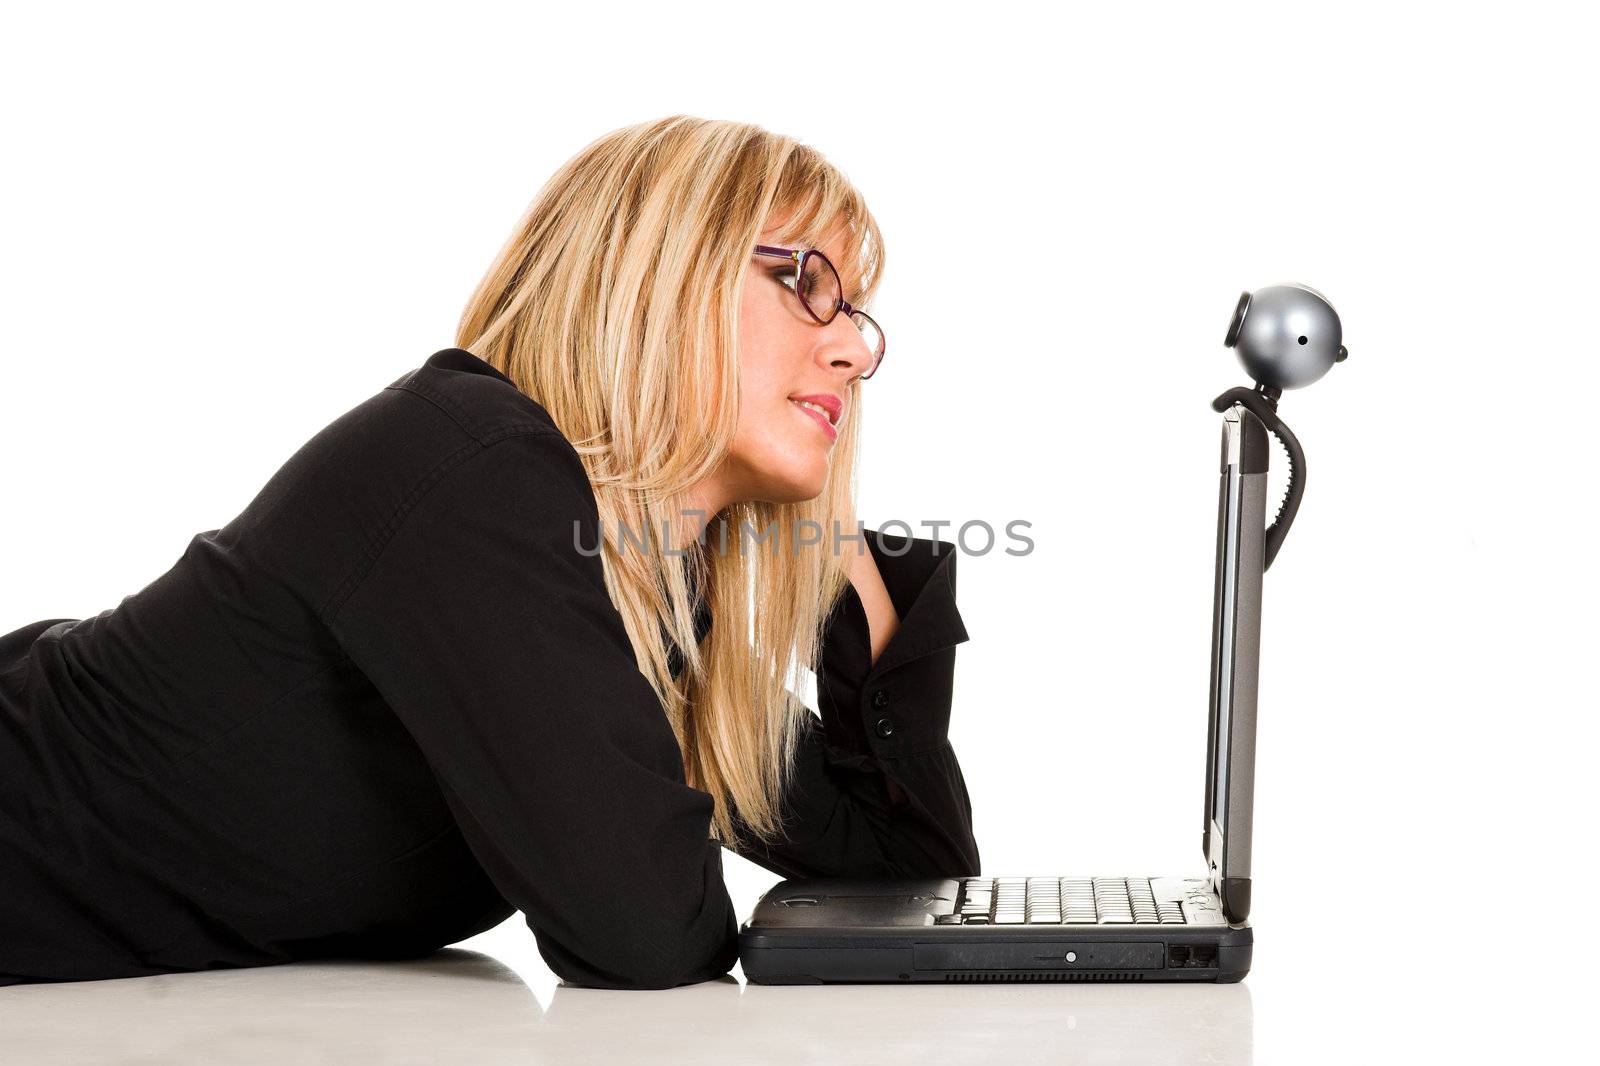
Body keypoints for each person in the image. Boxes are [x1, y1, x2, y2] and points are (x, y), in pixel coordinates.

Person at [0, 115, 980, 990]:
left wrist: (843, 558)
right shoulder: (471, 464)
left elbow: (910, 871)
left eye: (854, 310)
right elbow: (645, 936)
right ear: (644, 280)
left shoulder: (640, 594)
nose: (855, 348)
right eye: (800, 280)